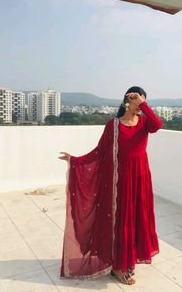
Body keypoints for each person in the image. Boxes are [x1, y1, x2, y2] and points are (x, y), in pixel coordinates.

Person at [58, 86, 163, 285]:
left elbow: (158, 124)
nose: (140, 104)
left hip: (140, 179)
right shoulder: (113, 126)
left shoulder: (144, 123)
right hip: (120, 181)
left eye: (143, 100)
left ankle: (128, 260)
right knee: (121, 220)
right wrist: (76, 161)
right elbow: (99, 151)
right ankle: (117, 266)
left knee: (136, 219)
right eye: (137, 99)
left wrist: (143, 104)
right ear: (127, 100)